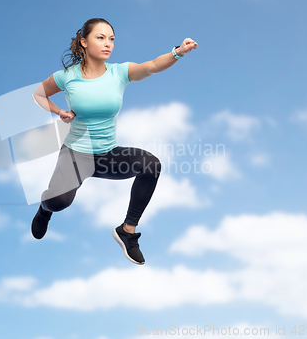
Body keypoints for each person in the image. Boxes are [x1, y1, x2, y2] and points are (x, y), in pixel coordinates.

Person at [31, 18, 198, 265]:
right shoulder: (66, 77)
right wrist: (58, 111)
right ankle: (44, 210)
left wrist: (178, 52)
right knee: (58, 202)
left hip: (109, 156)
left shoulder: (119, 72)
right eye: (101, 38)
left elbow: (152, 66)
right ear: (84, 42)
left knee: (151, 165)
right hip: (77, 155)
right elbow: (38, 94)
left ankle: (127, 232)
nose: (108, 44)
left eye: (111, 39)